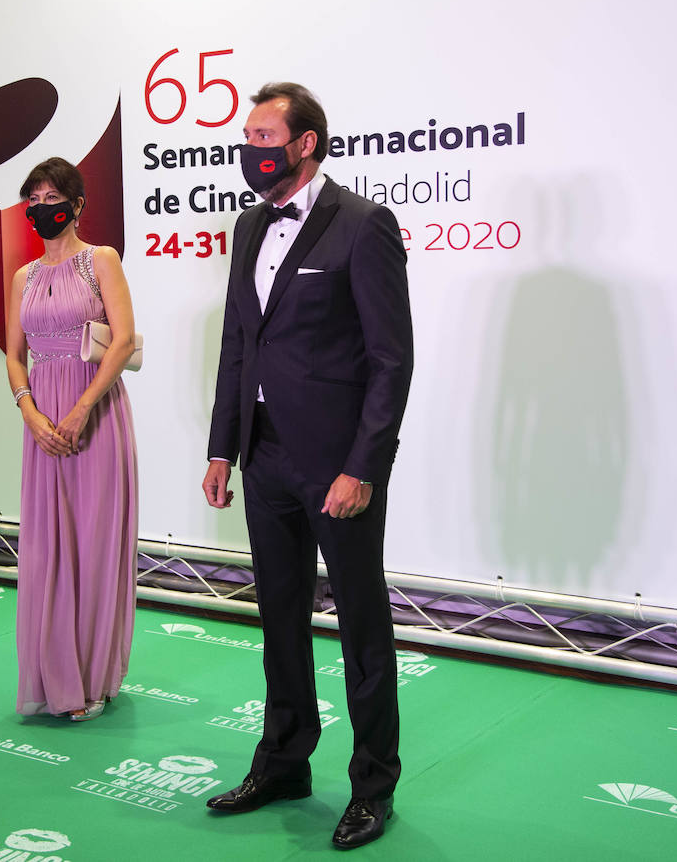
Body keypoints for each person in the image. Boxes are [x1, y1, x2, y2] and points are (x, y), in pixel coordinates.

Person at [200, 83, 413, 849]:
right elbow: (238, 344)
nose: (250, 147)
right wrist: (224, 446)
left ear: (306, 144)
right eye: (246, 134)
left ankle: (373, 786)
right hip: (265, 457)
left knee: (361, 625)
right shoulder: (248, 225)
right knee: (279, 618)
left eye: (263, 135)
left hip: (339, 467)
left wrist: (364, 466)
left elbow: (392, 361)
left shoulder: (363, 225)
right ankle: (284, 761)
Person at [5, 157, 138, 721]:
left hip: (97, 413)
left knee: (93, 545)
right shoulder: (23, 276)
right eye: (32, 197)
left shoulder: (100, 260)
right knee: (46, 549)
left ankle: (92, 679)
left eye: (52, 195)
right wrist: (29, 413)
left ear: (77, 204)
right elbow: (14, 355)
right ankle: (56, 678)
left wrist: (83, 408)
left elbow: (125, 339)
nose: (41, 206)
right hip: (42, 421)